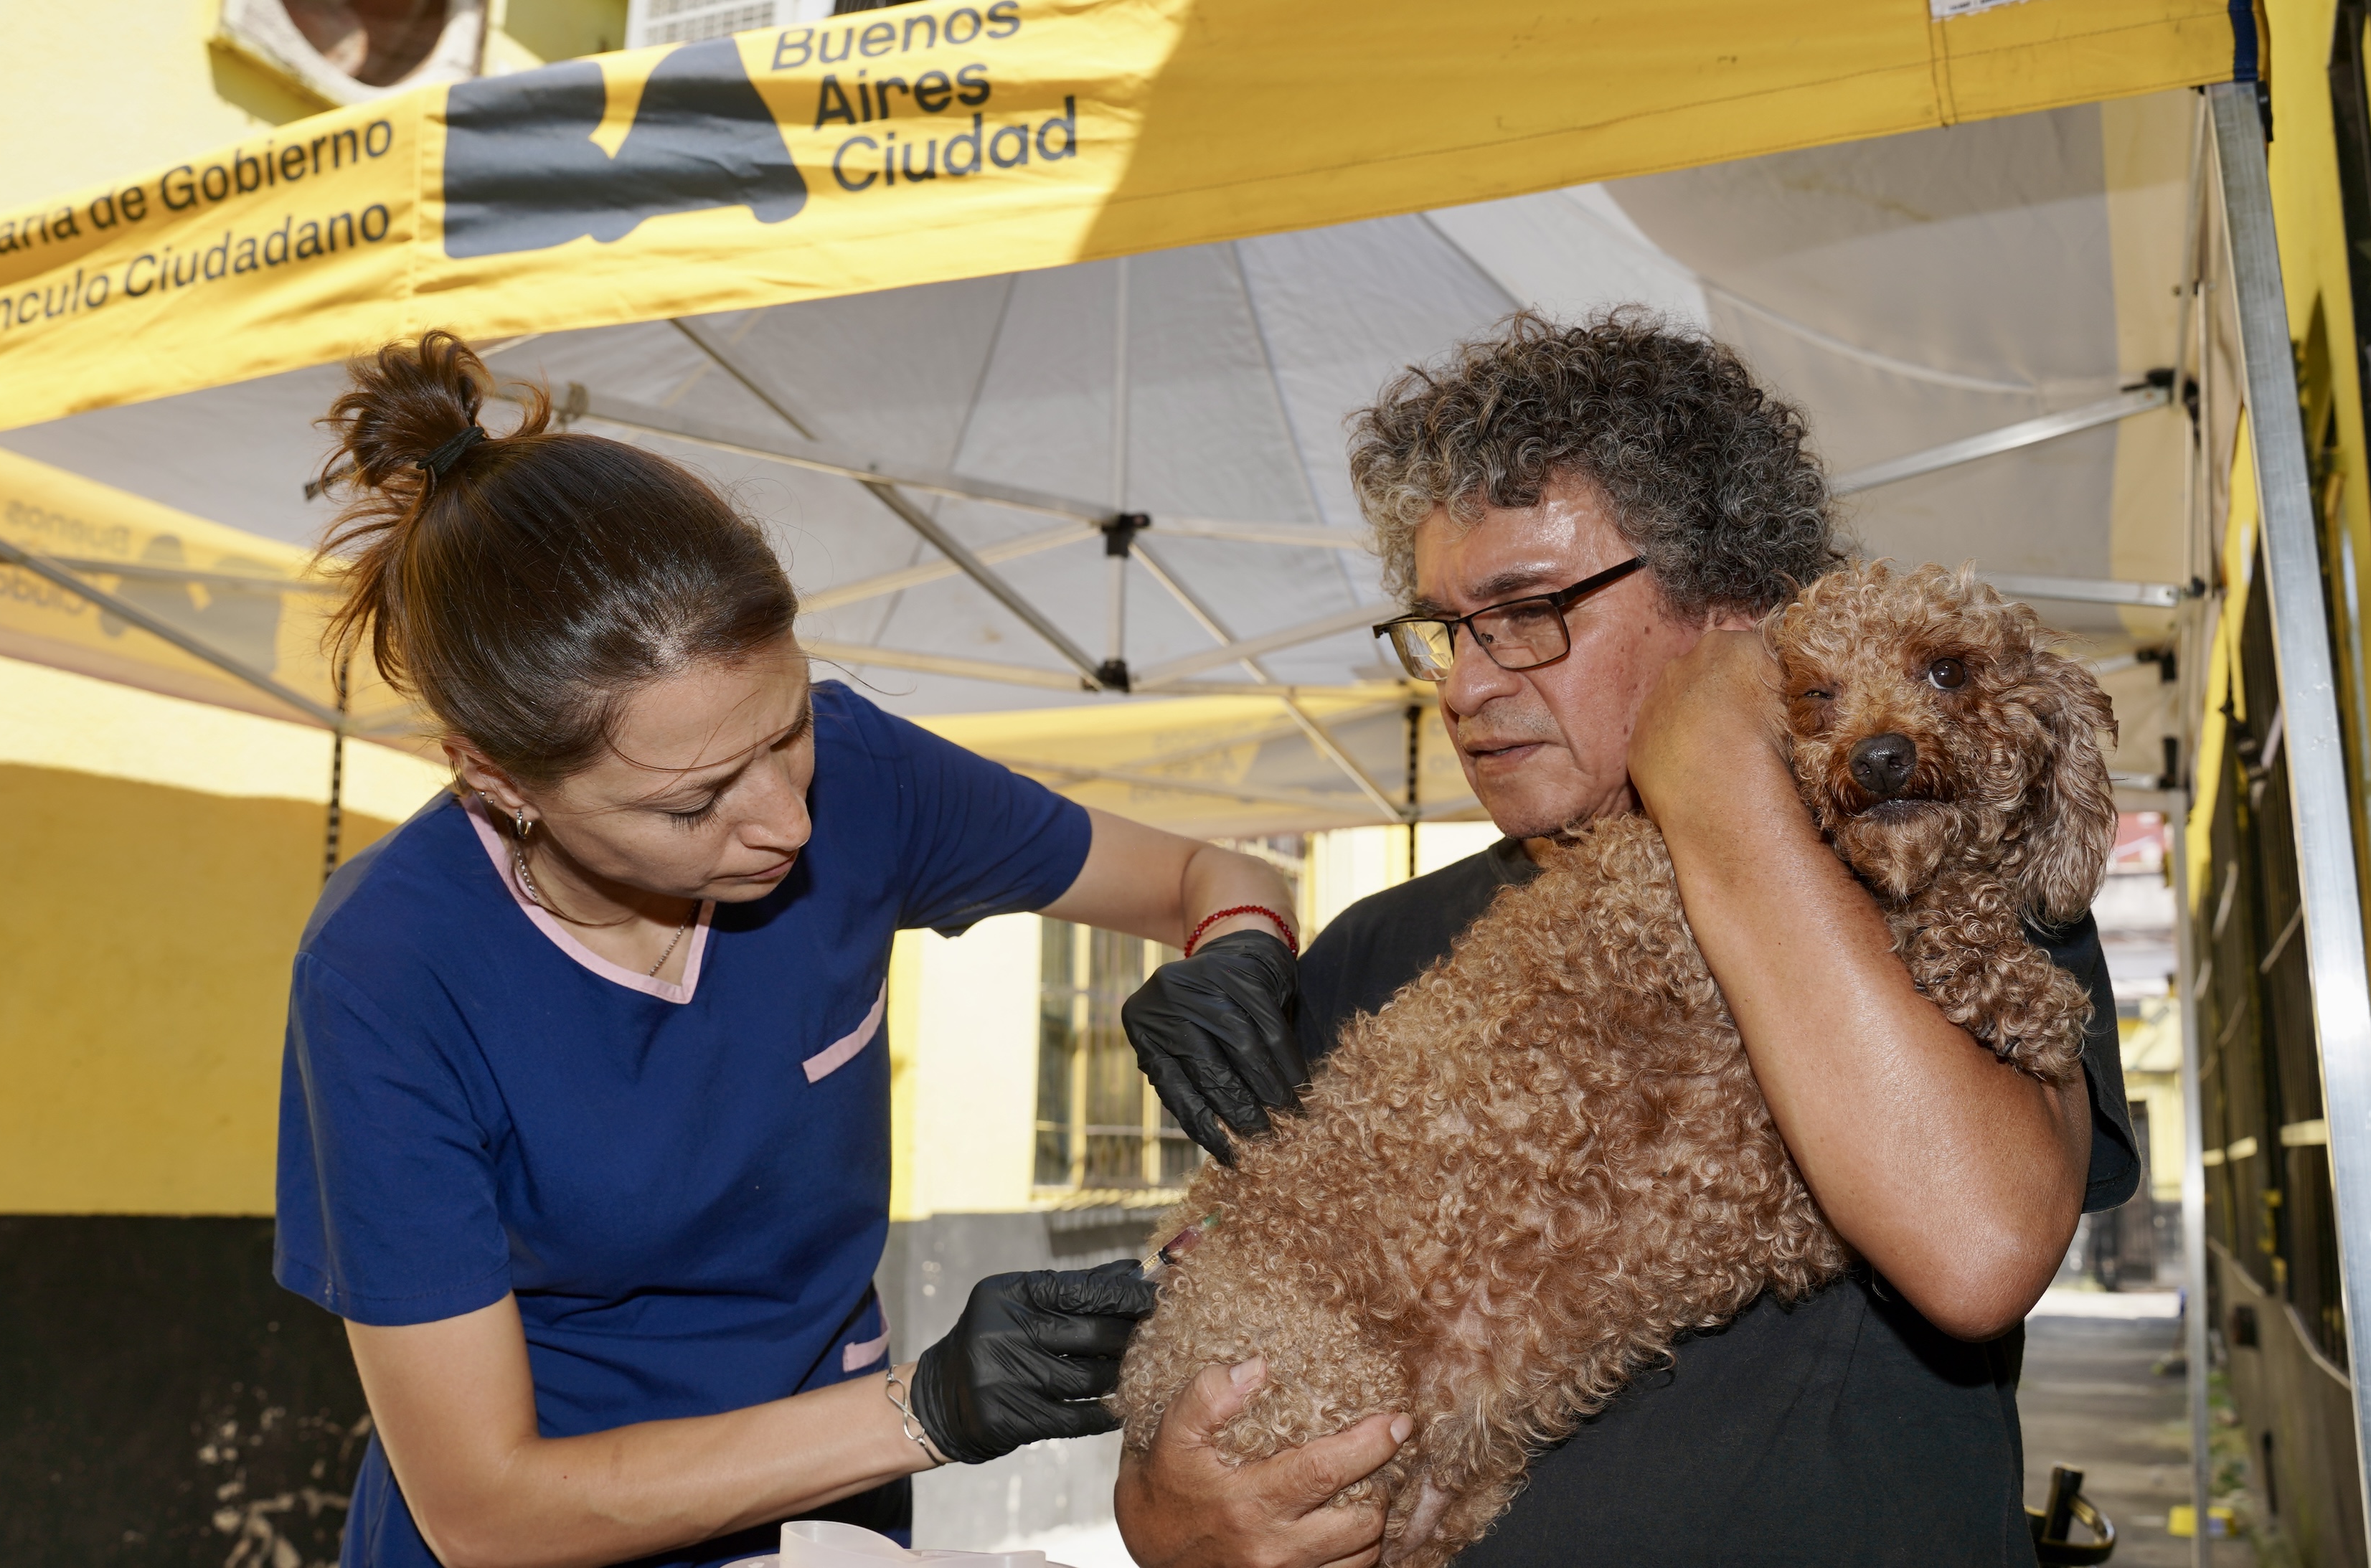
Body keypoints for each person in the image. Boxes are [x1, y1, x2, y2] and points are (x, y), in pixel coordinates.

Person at [1113, 312, 2137, 1568]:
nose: (1465, 685)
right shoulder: (1374, 951)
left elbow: (1978, 1243)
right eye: (1445, 629)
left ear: (1734, 609)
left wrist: (1717, 762)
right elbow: (1201, 1413)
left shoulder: (1939, 865)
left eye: (1529, 612)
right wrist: (1166, 1519)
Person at [273, 332, 1304, 1568]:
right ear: (498, 781)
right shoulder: (390, 974)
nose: (788, 820)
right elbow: (487, 1509)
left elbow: (1214, 873)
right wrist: (925, 1407)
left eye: (787, 727)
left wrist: (1238, 948)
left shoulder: (858, 774)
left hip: (829, 1524)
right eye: (691, 802)